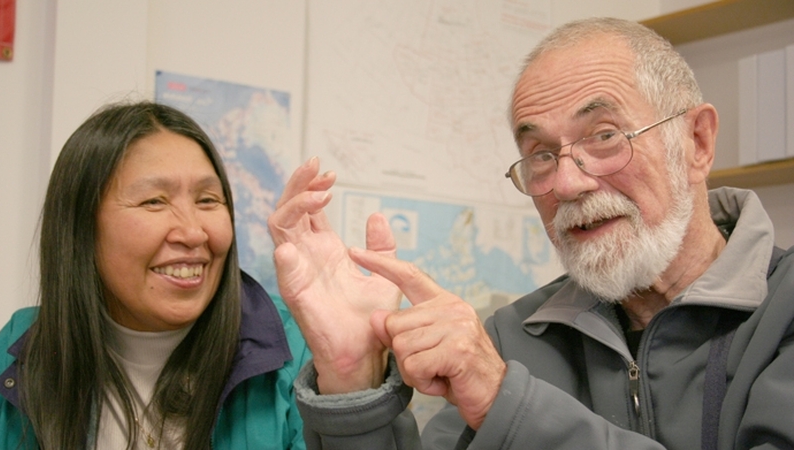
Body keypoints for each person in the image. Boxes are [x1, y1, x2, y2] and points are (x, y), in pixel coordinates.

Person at [267, 17, 794, 450]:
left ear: (697, 142)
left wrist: (506, 404)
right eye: (540, 155)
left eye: (605, 135)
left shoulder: (785, 308)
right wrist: (353, 382)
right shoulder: (511, 338)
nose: (566, 183)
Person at [0, 101, 309, 449]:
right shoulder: (17, 352)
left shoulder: (295, 348)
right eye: (154, 202)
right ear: (81, 227)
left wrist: (348, 377)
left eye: (207, 200)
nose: (193, 233)